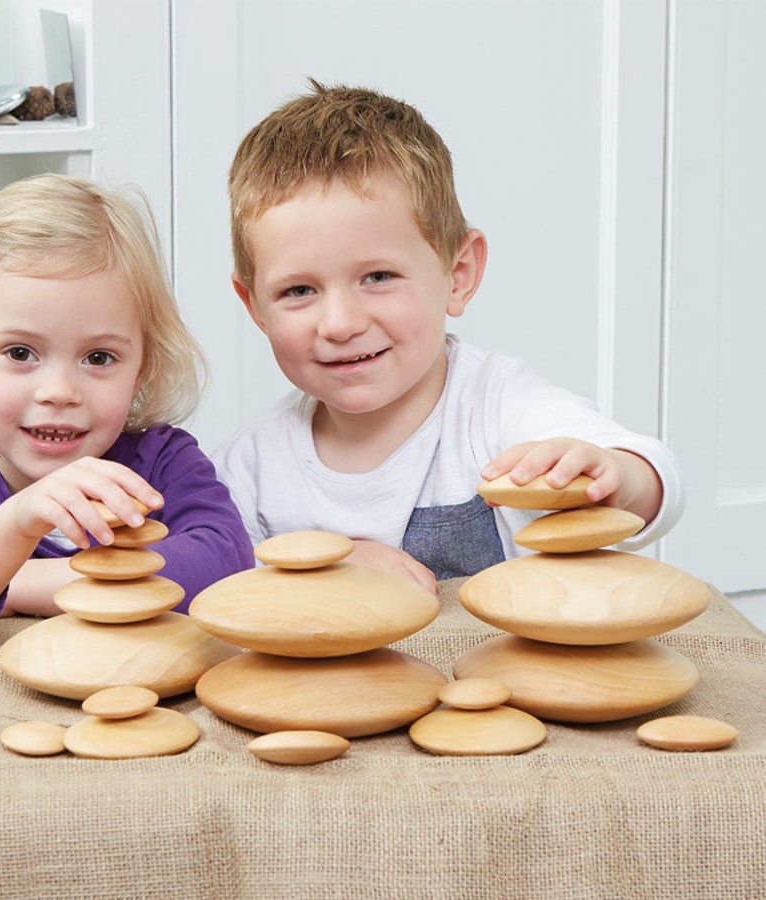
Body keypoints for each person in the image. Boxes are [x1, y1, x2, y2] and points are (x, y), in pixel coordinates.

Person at [212, 80, 684, 593]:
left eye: (378, 277)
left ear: (457, 274)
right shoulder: (247, 470)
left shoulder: (498, 404)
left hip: (506, 671)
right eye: (299, 290)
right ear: (254, 305)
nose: (340, 323)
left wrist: (620, 475)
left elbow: (659, 484)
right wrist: (323, 572)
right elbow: (222, 589)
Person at [0, 173, 253, 652]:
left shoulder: (163, 466)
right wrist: (17, 523)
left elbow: (226, 566)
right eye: (20, 352)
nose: (58, 391)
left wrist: (24, 583)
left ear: (141, 368)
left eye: (98, 358)